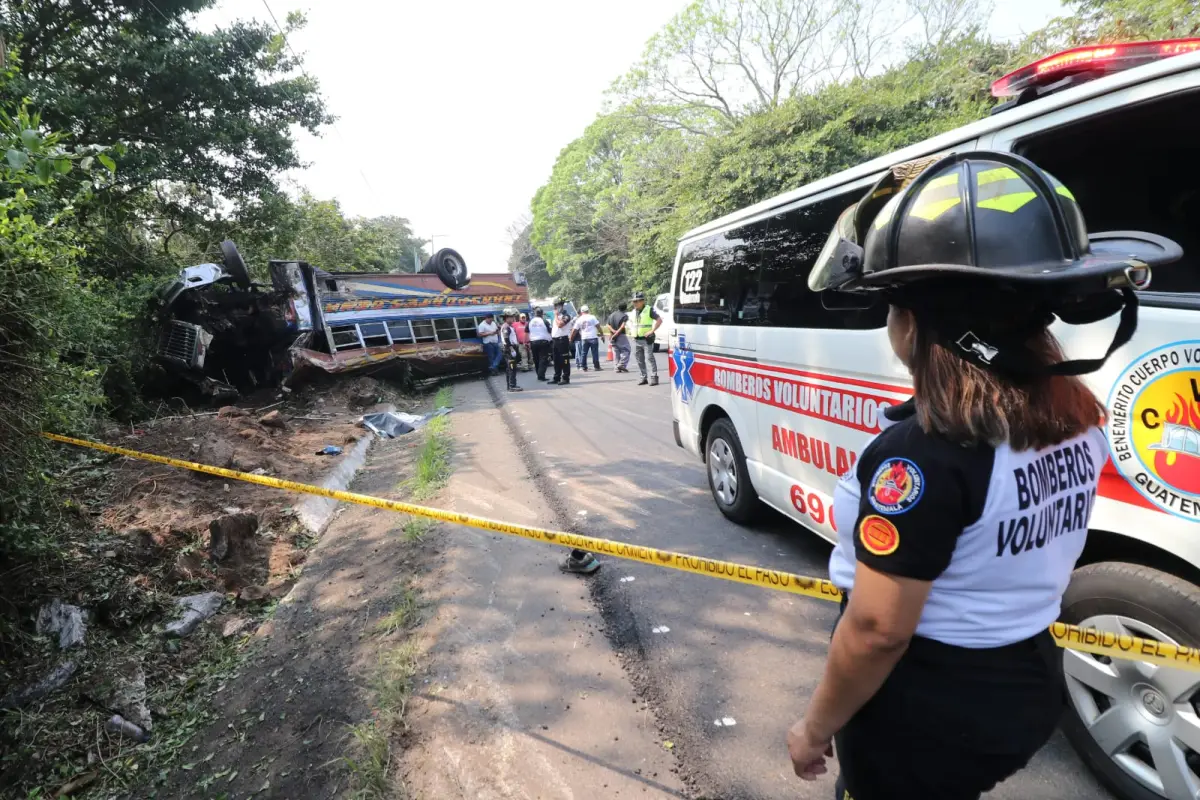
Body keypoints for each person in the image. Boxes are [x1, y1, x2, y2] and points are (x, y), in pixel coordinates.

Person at [784, 151, 1178, 800]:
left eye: (891, 308)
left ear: (916, 324)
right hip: (1022, 686)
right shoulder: (1077, 416)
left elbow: (879, 630)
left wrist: (814, 728)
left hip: (921, 710)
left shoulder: (921, 458)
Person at [628, 291, 662, 386]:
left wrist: (652, 331)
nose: (635, 303)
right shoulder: (633, 312)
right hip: (636, 339)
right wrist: (631, 331)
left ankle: (654, 377)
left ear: (642, 301)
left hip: (646, 339)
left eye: (637, 301)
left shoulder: (649, 310)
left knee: (649, 358)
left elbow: (659, 320)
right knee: (639, 359)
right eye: (634, 301)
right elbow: (630, 323)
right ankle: (643, 378)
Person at [499, 308, 523, 392]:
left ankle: (510, 385)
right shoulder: (506, 327)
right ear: (507, 318)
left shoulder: (509, 326)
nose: (513, 319)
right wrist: (512, 349)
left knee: (510, 368)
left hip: (510, 348)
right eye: (512, 317)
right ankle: (512, 386)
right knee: (512, 368)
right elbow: (506, 339)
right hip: (509, 349)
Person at [573, 304, 602, 372]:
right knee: (594, 353)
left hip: (584, 338)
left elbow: (574, 329)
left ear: (581, 311)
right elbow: (598, 326)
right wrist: (602, 334)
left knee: (584, 353)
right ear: (588, 310)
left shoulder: (579, 319)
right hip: (593, 337)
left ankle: (584, 367)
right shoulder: (592, 317)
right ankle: (596, 367)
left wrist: (571, 338)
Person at [550, 300, 573, 385]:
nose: (555, 308)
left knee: (564, 360)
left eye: (557, 306)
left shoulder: (566, 316)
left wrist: (555, 315)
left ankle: (565, 378)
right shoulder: (557, 316)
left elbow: (560, 325)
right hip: (555, 340)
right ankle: (556, 377)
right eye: (555, 306)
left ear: (562, 306)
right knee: (556, 360)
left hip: (562, 340)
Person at [527, 308, 552, 381]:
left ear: (535, 313)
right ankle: (541, 376)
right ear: (541, 314)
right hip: (543, 342)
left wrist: (526, 342)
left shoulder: (530, 322)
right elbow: (551, 331)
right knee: (543, 359)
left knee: (536, 359)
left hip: (533, 342)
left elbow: (526, 332)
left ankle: (538, 374)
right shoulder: (544, 321)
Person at [606, 302, 631, 372]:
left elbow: (608, 325)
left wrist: (613, 331)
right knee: (626, 350)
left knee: (616, 352)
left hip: (612, 336)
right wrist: (616, 333)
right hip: (620, 335)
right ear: (625, 308)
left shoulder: (611, 315)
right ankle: (621, 364)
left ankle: (616, 367)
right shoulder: (624, 316)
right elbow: (622, 326)